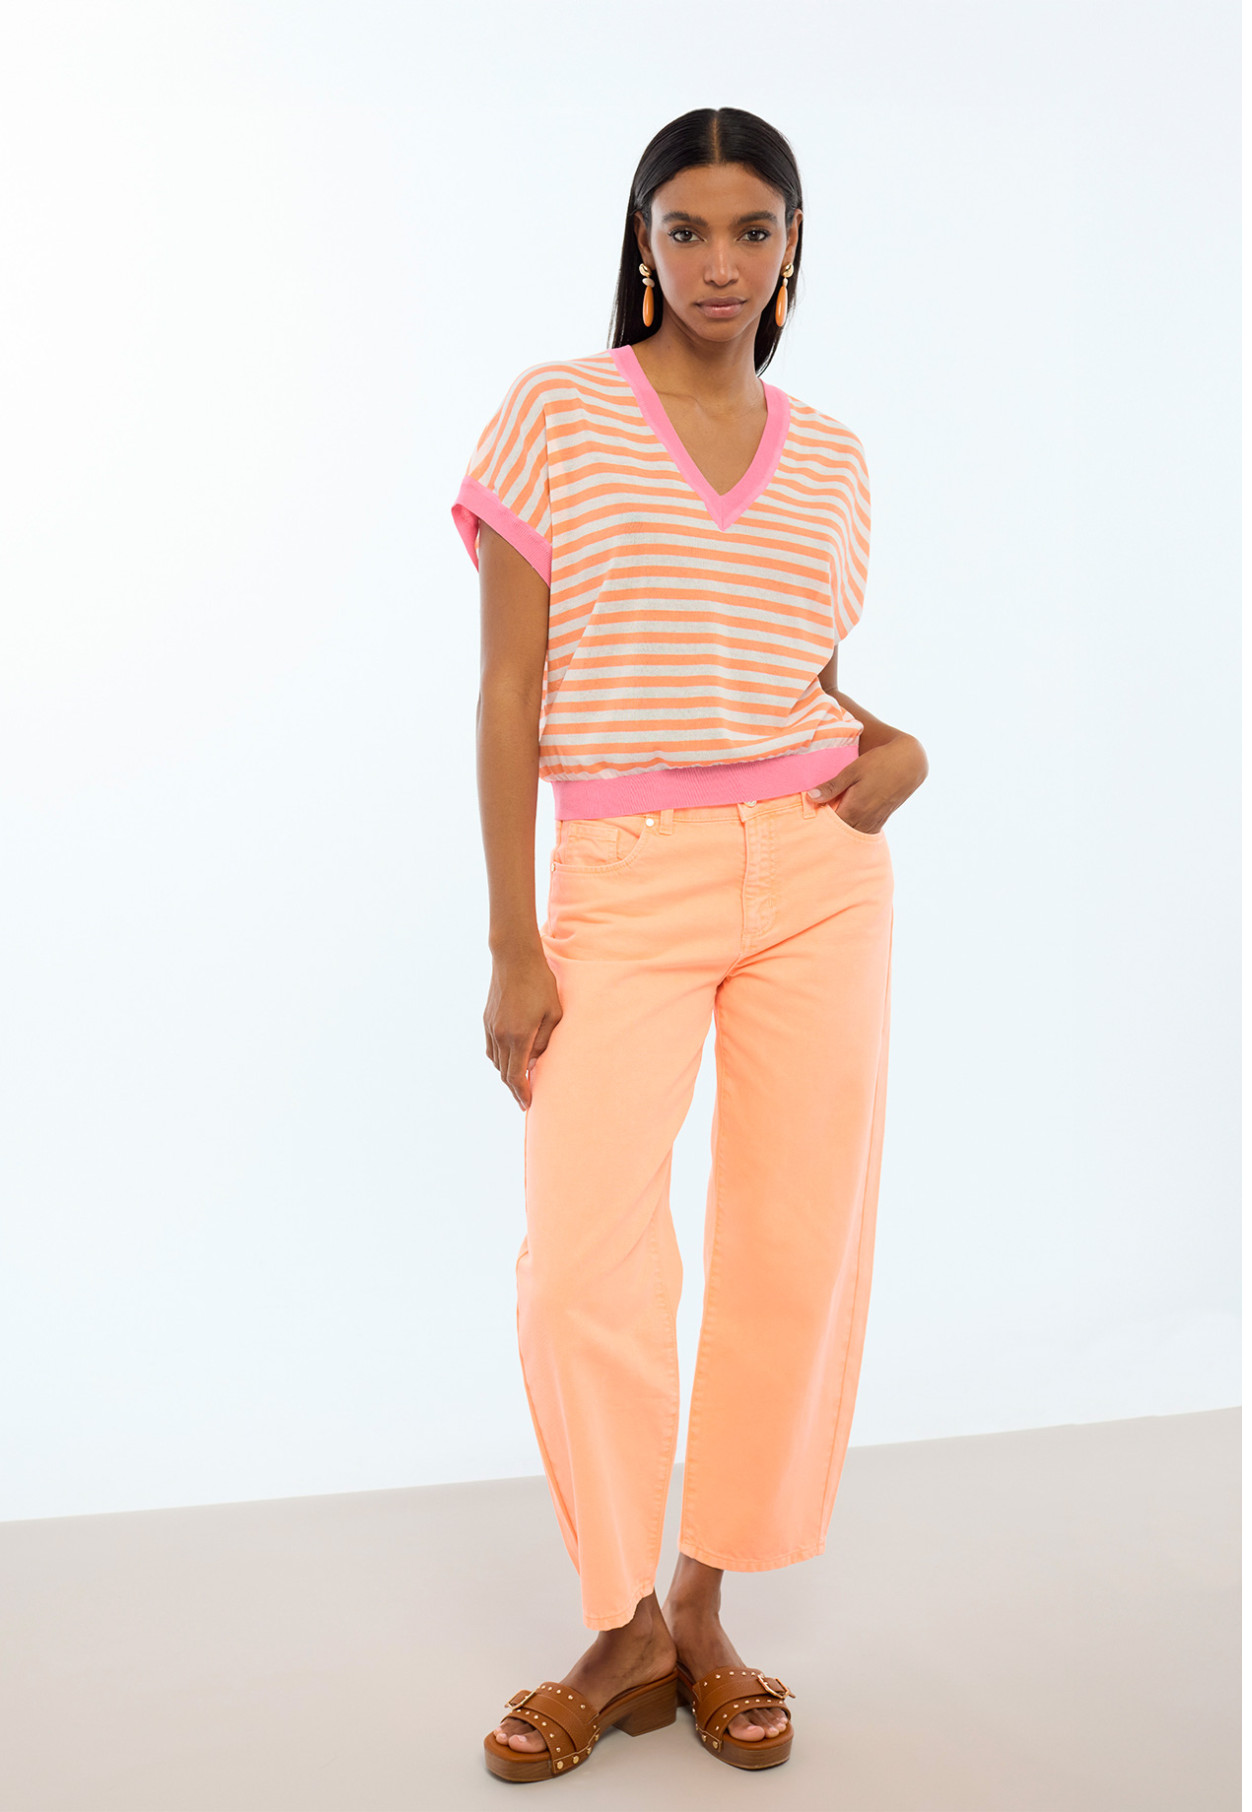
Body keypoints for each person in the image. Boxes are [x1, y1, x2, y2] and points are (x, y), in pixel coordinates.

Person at [452, 105, 928, 1783]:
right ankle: (622, 1623)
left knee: (793, 1245)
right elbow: (510, 692)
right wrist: (514, 941)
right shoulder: (557, 417)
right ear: (642, 247)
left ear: (793, 249)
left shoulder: (835, 456)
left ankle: (705, 1607)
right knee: (584, 1264)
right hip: (620, 881)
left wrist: (900, 750)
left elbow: (779, 673)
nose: (719, 262)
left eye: (751, 229)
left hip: (817, 873)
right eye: (687, 230)